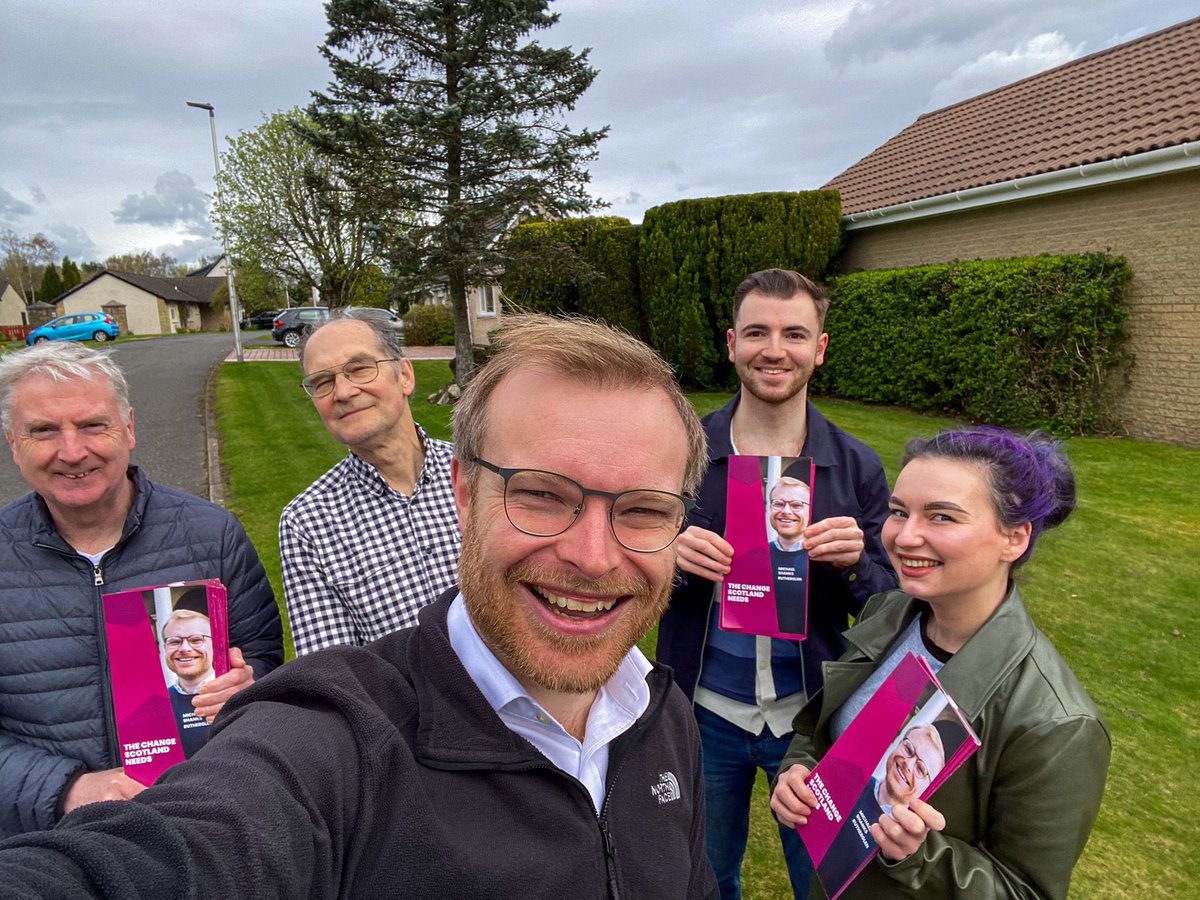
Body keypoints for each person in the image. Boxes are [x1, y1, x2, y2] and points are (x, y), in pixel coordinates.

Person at [0, 314, 719, 900]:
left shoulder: (662, 717)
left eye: (644, 510)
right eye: (540, 496)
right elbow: (289, 727)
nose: (591, 556)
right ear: (464, 496)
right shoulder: (340, 735)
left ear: (405, 375)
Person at [770, 427, 1111, 899]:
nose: (905, 537)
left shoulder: (1055, 723)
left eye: (942, 517)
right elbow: (820, 732)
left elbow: (1025, 891)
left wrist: (916, 856)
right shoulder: (887, 614)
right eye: (898, 512)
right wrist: (797, 769)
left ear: (1014, 538)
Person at [656, 269, 897, 899]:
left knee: (821, 879)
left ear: (819, 349)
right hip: (704, 710)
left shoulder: (855, 465)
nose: (774, 349)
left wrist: (854, 564)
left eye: (795, 334)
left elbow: (891, 608)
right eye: (757, 332)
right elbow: (629, 567)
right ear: (732, 343)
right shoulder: (679, 453)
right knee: (706, 876)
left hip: (814, 720)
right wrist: (668, 559)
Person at [0, 342, 283, 839]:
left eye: (92, 425)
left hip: (203, 823)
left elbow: (265, 661)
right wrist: (64, 789)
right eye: (43, 431)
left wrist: (248, 685)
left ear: (128, 427)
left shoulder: (212, 535)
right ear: (13, 444)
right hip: (52, 845)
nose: (71, 451)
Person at [280, 313, 460, 655]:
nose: (343, 392)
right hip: (407, 709)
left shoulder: (478, 474)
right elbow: (338, 679)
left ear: (404, 376)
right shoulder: (308, 523)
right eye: (322, 382)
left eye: (360, 369)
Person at [161, 609, 215, 758]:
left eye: (196, 640)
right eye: (174, 641)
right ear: (165, 648)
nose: (184, 649)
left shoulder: (233, 694)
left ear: (215, 644)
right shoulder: (157, 707)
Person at [768, 476, 810, 635]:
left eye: (796, 505)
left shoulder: (825, 558)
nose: (786, 511)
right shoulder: (757, 557)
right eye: (778, 504)